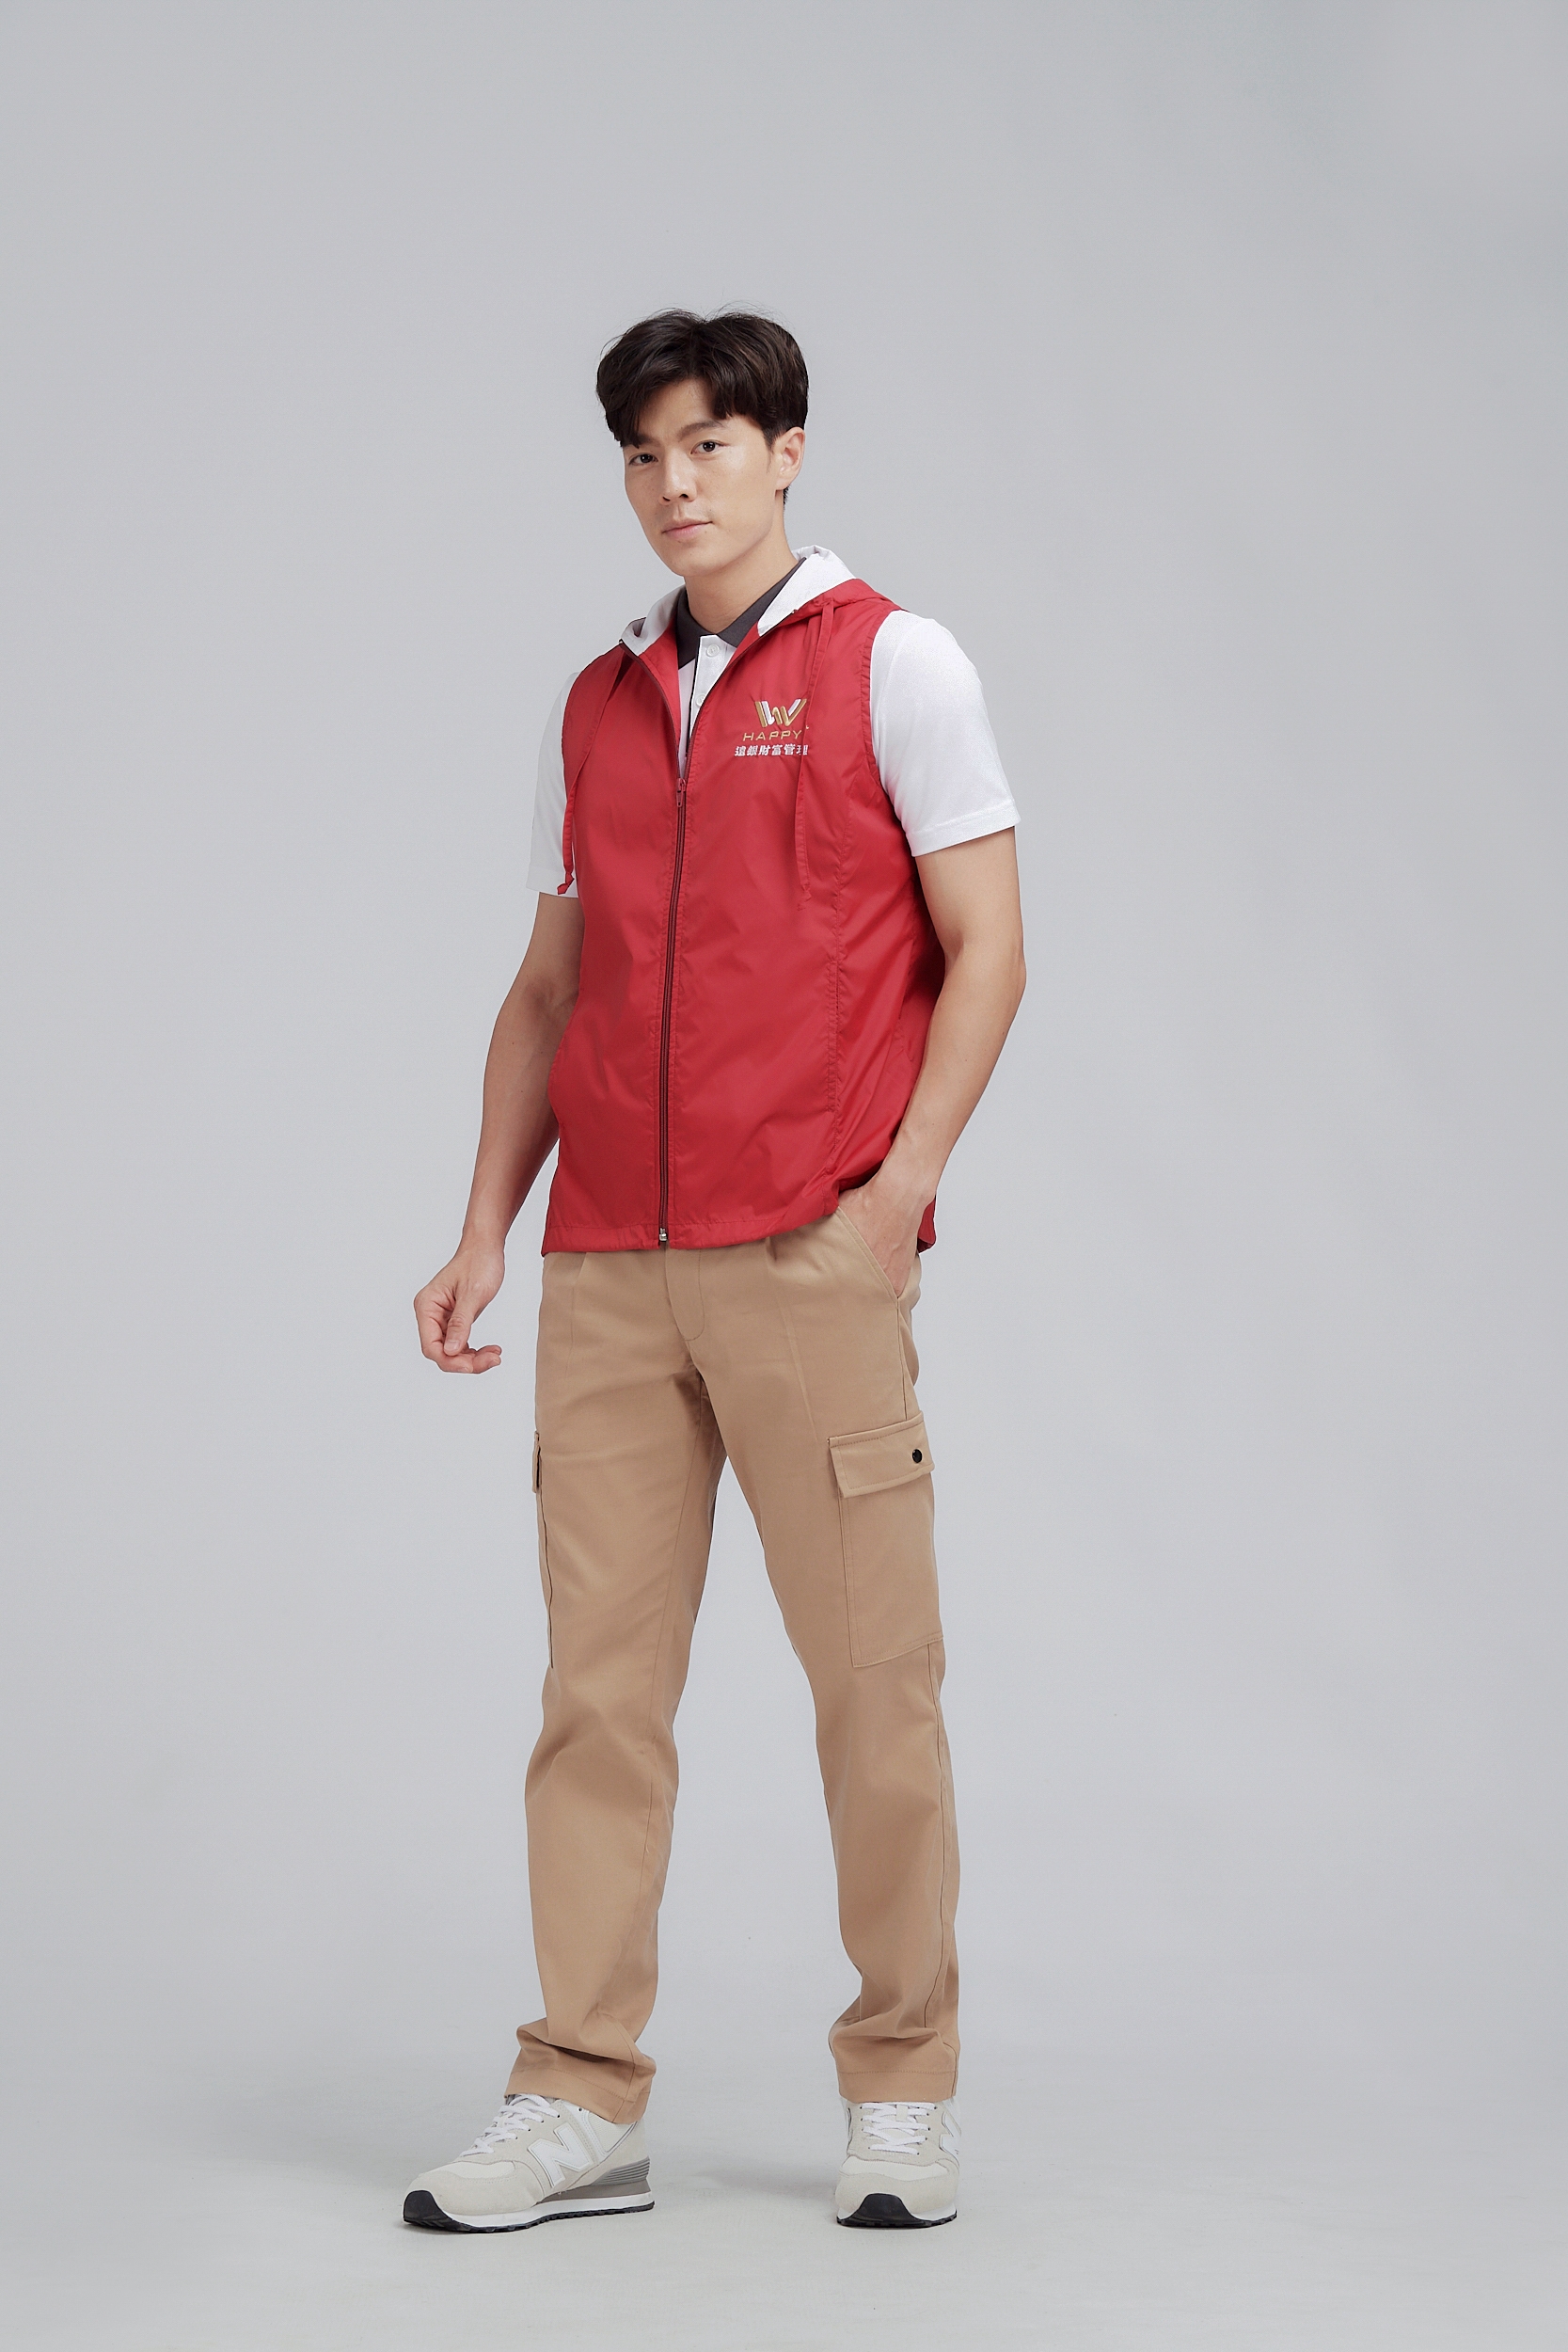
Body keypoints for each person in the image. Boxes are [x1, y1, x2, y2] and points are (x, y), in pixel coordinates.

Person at [404, 310, 1024, 2234]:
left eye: (712, 444)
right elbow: (548, 989)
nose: (677, 483)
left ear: (787, 451)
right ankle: (577, 2094)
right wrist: (484, 1223)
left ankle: (902, 2087)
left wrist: (897, 1191)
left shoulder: (895, 662)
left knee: (873, 1688)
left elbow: (990, 948)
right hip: (607, 1268)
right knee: (596, 1698)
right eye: (646, 453)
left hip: (806, 1254)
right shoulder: (595, 702)